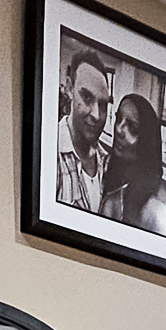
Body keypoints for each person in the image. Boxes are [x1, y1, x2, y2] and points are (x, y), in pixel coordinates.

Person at [99, 92, 166, 234]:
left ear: (146, 142)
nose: (119, 129)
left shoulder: (156, 211)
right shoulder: (102, 166)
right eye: (118, 119)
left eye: (132, 128)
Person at [56, 52, 112, 214]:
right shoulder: (49, 150)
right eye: (86, 97)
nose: (96, 115)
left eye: (103, 105)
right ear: (69, 89)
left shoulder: (108, 163)